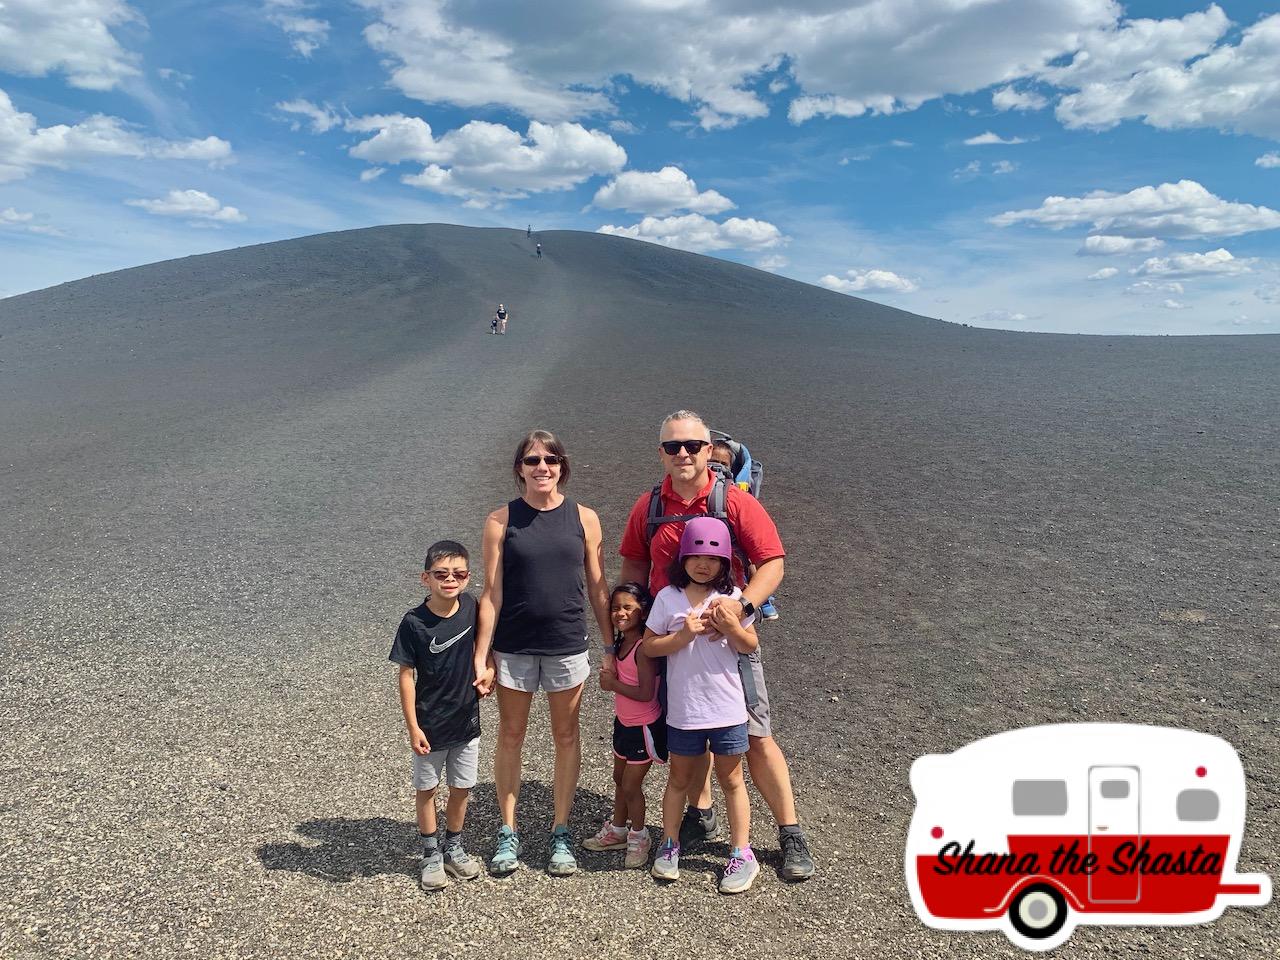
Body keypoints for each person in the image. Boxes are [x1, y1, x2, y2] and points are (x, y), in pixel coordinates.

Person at [619, 409, 816, 881]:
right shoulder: (648, 506)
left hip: (731, 642)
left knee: (755, 733)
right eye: (673, 447)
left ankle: (789, 832)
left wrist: (741, 610)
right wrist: (636, 637)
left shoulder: (736, 503)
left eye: (692, 446)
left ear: (709, 451)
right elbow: (631, 570)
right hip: (670, 638)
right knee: (686, 720)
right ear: (662, 453)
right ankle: (702, 812)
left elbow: (772, 562)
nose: (683, 454)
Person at [474, 430, 612, 877]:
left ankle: (560, 832)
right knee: (511, 735)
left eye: (550, 459)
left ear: (561, 466)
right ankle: (508, 832)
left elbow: (597, 587)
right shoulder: (500, 520)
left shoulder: (585, 518)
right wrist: (482, 655)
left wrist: (611, 646)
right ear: (520, 468)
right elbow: (490, 593)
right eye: (532, 460)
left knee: (566, 737)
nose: (542, 467)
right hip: (514, 647)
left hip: (566, 644)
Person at [644, 518, 760, 893]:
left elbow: (749, 645)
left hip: (727, 709)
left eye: (712, 559)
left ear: (725, 562)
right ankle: (670, 843)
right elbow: (649, 646)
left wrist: (731, 626)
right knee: (679, 779)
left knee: (732, 779)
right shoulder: (667, 597)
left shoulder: (733, 598)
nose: (703, 565)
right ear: (683, 558)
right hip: (685, 709)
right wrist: (681, 636)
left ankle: (742, 852)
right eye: (695, 556)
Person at [389, 540, 484, 890]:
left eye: (458, 574)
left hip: (466, 722)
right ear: (425, 578)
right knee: (427, 790)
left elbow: (487, 641)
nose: (450, 580)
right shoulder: (414, 622)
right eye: (441, 574)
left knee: (461, 789)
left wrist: (487, 668)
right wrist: (412, 726)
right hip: (429, 724)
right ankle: (430, 853)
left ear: (468, 577)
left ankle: (453, 848)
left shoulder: (472, 606)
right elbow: (405, 676)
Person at [582, 582, 664, 868]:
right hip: (624, 724)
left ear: (643, 612)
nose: (620, 613)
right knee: (619, 780)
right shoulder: (619, 643)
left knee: (631, 785)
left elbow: (646, 693)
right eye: (616, 607)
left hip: (644, 728)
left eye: (628, 607)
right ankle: (617, 829)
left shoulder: (642, 647)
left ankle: (640, 835)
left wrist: (613, 684)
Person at [710, 440, 779, 621]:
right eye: (712, 461)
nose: (716, 467)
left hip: (733, 544)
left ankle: (762, 600)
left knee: (750, 562)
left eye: (723, 464)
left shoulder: (736, 493)